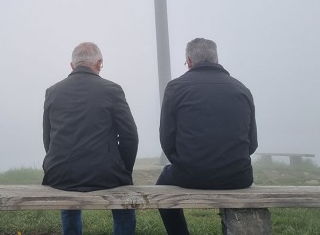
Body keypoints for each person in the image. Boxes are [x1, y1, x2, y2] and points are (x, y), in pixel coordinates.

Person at [157, 38, 258, 235]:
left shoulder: (175, 88)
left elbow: (167, 141)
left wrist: (186, 164)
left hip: (190, 175)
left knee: (162, 186)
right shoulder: (241, 89)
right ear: (217, 59)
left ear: (189, 60)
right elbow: (252, 143)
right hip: (238, 177)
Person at [42, 42, 139, 235]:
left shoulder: (52, 91)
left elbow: (48, 138)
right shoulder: (112, 90)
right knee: (124, 200)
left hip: (60, 175)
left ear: (72, 65)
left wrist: (59, 164)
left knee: (68, 194)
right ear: (99, 63)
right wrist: (123, 169)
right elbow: (130, 136)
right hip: (106, 174)